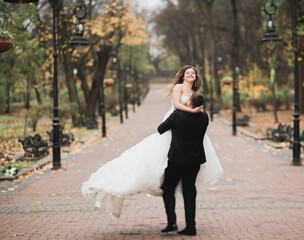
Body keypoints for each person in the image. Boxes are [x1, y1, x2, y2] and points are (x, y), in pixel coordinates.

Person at [81, 65, 223, 220]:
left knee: (185, 172)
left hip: (187, 129)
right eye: (188, 72)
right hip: (175, 124)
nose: (190, 74)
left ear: (196, 77)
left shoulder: (195, 93)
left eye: (193, 73)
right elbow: (176, 105)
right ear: (183, 76)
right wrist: (194, 112)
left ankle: (177, 206)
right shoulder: (178, 87)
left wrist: (196, 116)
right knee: (160, 159)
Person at [158, 92, 208, 236]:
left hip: (177, 160)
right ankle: (191, 227)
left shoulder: (177, 115)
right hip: (195, 160)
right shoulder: (204, 117)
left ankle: (172, 223)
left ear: (189, 103)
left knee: (167, 189)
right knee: (189, 192)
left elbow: (161, 129)